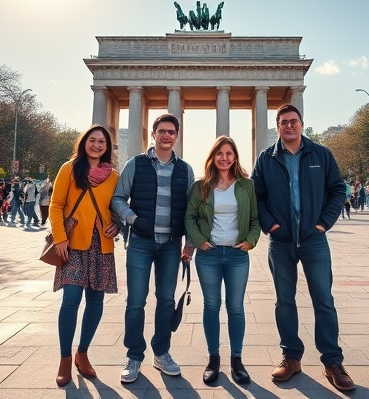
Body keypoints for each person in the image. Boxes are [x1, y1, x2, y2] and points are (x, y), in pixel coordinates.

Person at [251, 104, 355, 392]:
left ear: (301, 123)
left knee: (324, 300)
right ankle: (291, 357)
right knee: (284, 301)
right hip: (281, 241)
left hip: (314, 240)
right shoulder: (266, 159)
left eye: (293, 121)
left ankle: (333, 362)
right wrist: (271, 225)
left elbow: (337, 189)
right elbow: (257, 195)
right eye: (283, 122)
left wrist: (323, 223)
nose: (289, 126)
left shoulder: (321, 154)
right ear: (278, 126)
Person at [112, 114, 194, 384]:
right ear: (154, 134)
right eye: (162, 131)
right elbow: (118, 198)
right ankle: (134, 355)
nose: (166, 136)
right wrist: (134, 219)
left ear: (177, 136)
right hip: (140, 242)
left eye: (171, 132)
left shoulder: (186, 169)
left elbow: (191, 209)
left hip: (171, 244)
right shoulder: (135, 164)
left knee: (167, 300)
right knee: (136, 301)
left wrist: (189, 242)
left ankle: (161, 352)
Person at [185, 136, 261, 385]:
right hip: (210, 254)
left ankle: (237, 359)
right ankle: (213, 358)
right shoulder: (201, 186)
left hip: (238, 255)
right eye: (220, 153)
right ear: (213, 157)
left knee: (236, 307)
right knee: (211, 305)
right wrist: (198, 240)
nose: (225, 158)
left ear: (235, 157)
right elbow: (190, 218)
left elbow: (255, 219)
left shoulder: (246, 185)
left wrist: (250, 240)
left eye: (229, 154)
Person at [49, 125, 120, 387]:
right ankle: (65, 358)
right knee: (70, 299)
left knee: (95, 301)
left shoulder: (113, 175)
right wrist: (60, 238)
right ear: (84, 142)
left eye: (102, 141)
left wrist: (118, 225)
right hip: (72, 243)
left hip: (100, 244)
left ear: (107, 146)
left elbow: (116, 207)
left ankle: (83, 353)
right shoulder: (69, 168)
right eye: (93, 140)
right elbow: (56, 205)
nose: (97, 145)